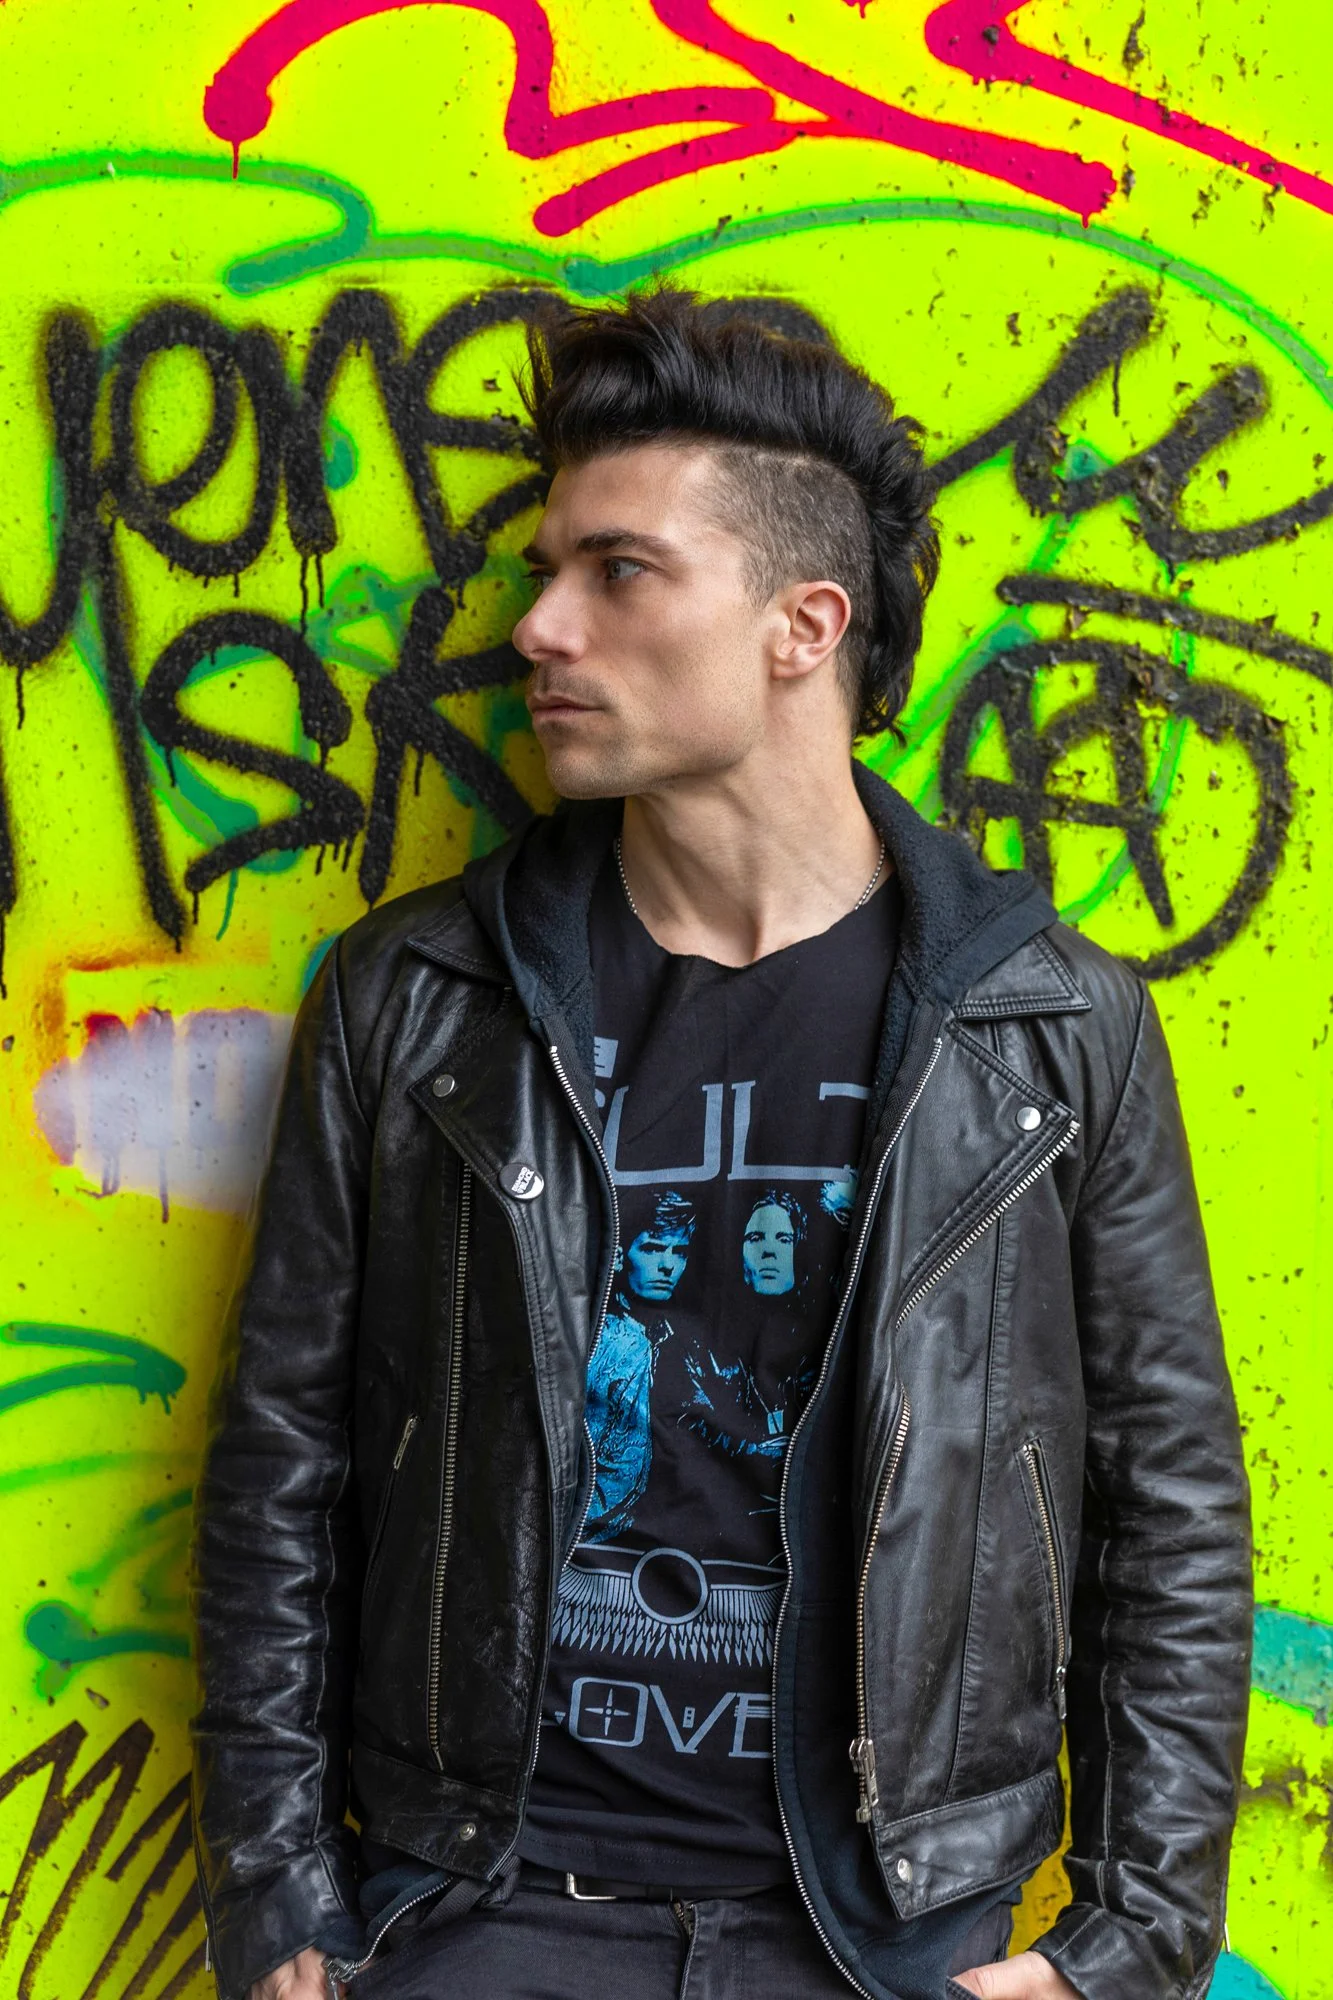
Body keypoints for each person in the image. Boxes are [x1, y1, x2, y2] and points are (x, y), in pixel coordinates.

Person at [190, 288, 1252, 2000]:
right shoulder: (418, 997)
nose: (539, 626)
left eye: (619, 572)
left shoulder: (1048, 1026)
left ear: (801, 625)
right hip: (482, 1909)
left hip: (884, 1934)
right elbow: (281, 1466)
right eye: (546, 568)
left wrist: (1129, 1946)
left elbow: (1168, 1505)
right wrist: (281, 1911)